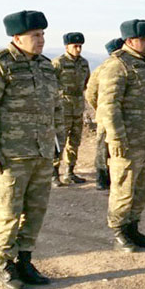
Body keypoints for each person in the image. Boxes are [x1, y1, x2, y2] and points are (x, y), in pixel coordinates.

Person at [0, 10, 64, 289]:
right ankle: (5, 263)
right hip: (12, 154)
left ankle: (25, 260)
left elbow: (56, 108)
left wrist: (57, 143)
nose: (41, 40)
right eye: (35, 36)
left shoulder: (46, 67)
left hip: (42, 152)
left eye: (42, 35)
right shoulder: (0, 65)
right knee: (9, 211)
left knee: (36, 210)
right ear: (17, 37)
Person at [98, 19, 145, 252]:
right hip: (128, 140)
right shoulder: (118, 65)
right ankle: (119, 231)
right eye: (143, 40)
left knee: (142, 187)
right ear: (129, 41)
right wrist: (116, 138)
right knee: (124, 188)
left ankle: (133, 227)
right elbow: (108, 105)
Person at [85, 37, 125, 190]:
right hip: (106, 115)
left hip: (121, 115)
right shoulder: (104, 68)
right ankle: (101, 177)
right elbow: (90, 93)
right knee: (103, 146)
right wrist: (101, 108)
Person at [52, 32, 91, 185]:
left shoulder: (83, 63)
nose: (78, 49)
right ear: (67, 46)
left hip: (78, 106)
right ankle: (54, 173)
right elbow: (50, 84)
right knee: (59, 141)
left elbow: (86, 81)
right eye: (75, 46)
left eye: (80, 46)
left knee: (74, 141)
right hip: (63, 106)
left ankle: (70, 171)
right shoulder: (58, 63)